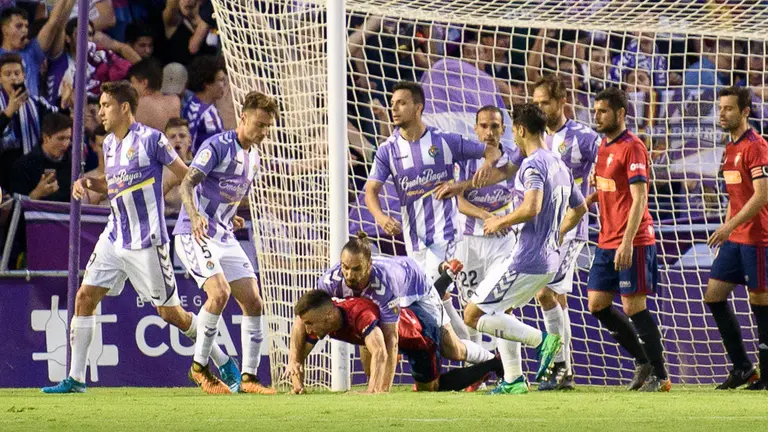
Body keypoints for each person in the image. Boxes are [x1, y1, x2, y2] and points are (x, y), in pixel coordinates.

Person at [41, 80, 239, 394]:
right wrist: (88, 184)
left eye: (106, 105)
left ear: (123, 108)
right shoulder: (108, 144)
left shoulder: (152, 140)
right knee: (84, 297)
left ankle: (222, 359)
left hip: (147, 241)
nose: (101, 112)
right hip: (114, 236)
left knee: (170, 313)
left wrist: (196, 210)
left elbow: (185, 174)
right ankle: (76, 379)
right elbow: (113, 184)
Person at [462, 103, 588, 395]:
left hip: (526, 258)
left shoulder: (533, 164)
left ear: (519, 130)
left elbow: (532, 207)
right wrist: (556, 234)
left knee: (473, 314)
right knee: (499, 312)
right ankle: (514, 379)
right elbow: (580, 207)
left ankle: (542, 342)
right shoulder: (560, 164)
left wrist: (498, 221)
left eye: (514, 133)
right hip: (548, 261)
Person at [364, 80, 502, 342]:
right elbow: (371, 191)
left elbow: (492, 150)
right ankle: (479, 357)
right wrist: (381, 217)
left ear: (418, 108)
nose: (394, 109)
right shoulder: (387, 150)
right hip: (414, 239)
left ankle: (477, 357)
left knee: (430, 292)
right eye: (392, 104)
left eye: (401, 103)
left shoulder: (444, 141)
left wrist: (482, 169)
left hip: (446, 235)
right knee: (432, 301)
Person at [175, 90, 278, 395]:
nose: (263, 132)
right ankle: (200, 368)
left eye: (267, 127)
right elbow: (188, 182)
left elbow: (225, 193)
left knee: (254, 301)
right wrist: (195, 216)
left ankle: (248, 377)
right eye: (259, 124)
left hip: (222, 233)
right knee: (218, 293)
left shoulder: (254, 157)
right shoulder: (217, 145)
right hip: (193, 233)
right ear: (243, 117)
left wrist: (230, 215)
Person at [316, 233, 496, 392]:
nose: (348, 274)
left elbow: (391, 340)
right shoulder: (330, 280)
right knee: (368, 330)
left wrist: (382, 391)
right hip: (398, 292)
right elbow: (307, 311)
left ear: (369, 265)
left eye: (355, 269)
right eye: (345, 267)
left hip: (418, 289)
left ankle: (493, 361)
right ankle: (374, 383)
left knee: (452, 349)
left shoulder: (384, 284)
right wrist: (295, 361)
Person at [587, 87, 670, 392]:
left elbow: (639, 198)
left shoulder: (632, 147)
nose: (597, 116)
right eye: (595, 111)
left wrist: (626, 242)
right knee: (597, 305)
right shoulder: (603, 147)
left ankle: (661, 377)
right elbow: (614, 188)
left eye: (603, 111)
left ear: (620, 114)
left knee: (634, 307)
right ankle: (643, 360)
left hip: (631, 240)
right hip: (606, 239)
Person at [287, 291, 504, 393]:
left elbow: (382, 352)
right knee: (367, 344)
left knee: (433, 387)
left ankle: (493, 364)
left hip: (419, 335)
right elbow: (302, 348)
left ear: (325, 316)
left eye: (309, 323)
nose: (308, 329)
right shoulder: (326, 321)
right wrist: (297, 382)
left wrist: (372, 394)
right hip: (393, 332)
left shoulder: (360, 315)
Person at [531, 75, 600, 390]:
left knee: (545, 293)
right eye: (536, 103)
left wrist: (581, 206)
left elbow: (604, 177)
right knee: (553, 297)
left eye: (545, 102)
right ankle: (563, 371)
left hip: (571, 228)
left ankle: (560, 369)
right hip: (541, 229)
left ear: (562, 102)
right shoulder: (534, 138)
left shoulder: (584, 137)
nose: (541, 108)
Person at [705, 86, 768, 390]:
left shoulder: (756, 146)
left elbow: (761, 197)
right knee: (714, 295)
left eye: (729, 108)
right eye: (720, 108)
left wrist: (729, 227)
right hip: (735, 237)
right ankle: (743, 368)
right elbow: (735, 197)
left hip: (758, 238)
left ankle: (766, 373)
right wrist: (726, 228)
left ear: (745, 112)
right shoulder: (729, 149)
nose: (723, 114)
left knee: (760, 302)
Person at [451, 105, 517, 370]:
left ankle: (513, 374)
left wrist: (503, 221)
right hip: (470, 244)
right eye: (484, 126)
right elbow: (457, 200)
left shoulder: (513, 160)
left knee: (504, 308)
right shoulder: (464, 161)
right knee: (470, 309)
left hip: (503, 243)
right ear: (476, 128)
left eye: (495, 126)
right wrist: (486, 216)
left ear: (503, 129)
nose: (489, 132)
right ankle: (474, 372)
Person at [0, 1, 76, 97]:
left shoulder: (32, 52)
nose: (24, 30)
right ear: (5, 30)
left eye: (26, 26)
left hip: (33, 110)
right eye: (19, 26)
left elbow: (53, 23)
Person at [0, 53, 59, 155]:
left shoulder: (37, 103)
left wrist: (65, 104)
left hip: (30, 165)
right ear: (0, 79)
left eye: (17, 73)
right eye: (8, 74)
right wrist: (8, 112)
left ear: (24, 76)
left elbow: (57, 120)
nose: (13, 78)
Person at [11, 112, 71, 201]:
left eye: (68, 138)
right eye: (61, 138)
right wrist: (37, 193)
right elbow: (15, 207)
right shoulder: (23, 166)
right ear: (46, 138)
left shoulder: (73, 165)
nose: (66, 144)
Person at [180, 55, 225, 154]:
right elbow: (189, 149)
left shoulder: (197, 104)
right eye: (220, 80)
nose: (224, 84)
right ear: (207, 84)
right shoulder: (200, 112)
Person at [128, 58, 181, 131]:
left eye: (133, 83)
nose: (131, 87)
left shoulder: (139, 104)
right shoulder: (175, 100)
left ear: (144, 83)